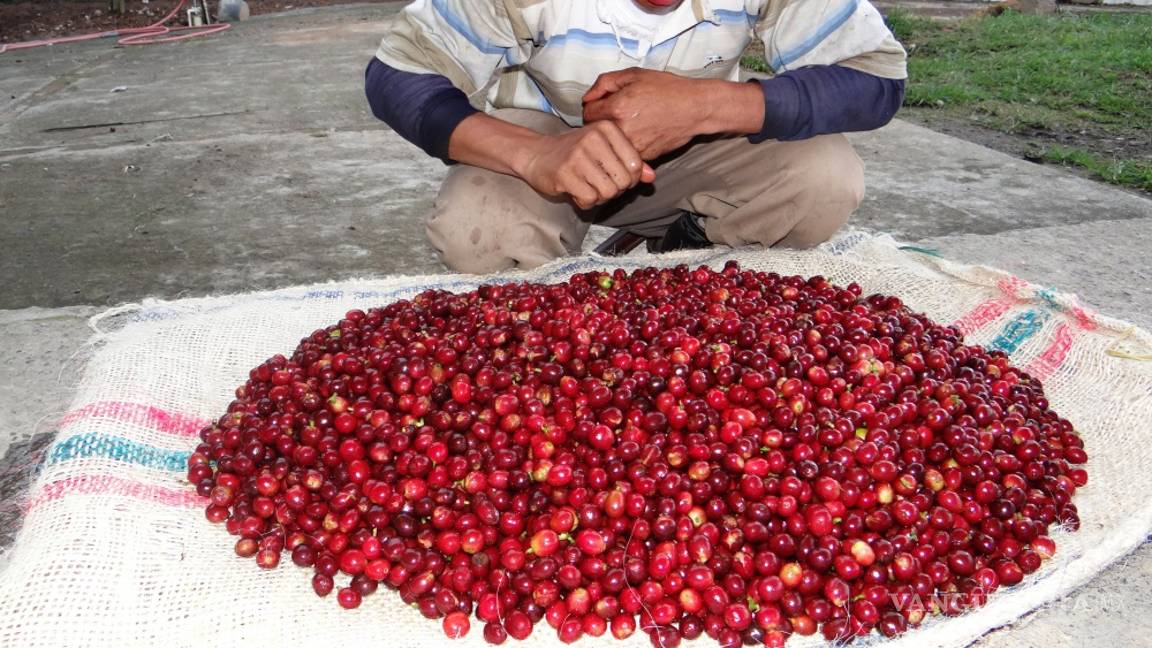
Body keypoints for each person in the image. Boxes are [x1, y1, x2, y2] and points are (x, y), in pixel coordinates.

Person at [365, 0, 906, 273]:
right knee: (477, 228)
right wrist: (535, 156)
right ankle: (542, 328)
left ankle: (682, 260)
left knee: (824, 177)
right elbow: (397, 75)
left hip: (697, 146)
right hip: (545, 144)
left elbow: (878, 78)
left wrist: (706, 104)